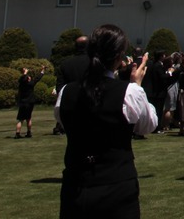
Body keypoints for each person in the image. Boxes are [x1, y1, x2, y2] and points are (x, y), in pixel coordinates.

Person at [54, 24, 157, 219]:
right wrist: (137, 86)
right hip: (116, 185)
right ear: (119, 58)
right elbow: (148, 125)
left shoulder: (66, 92)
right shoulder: (129, 92)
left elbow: (63, 120)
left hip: (76, 184)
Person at [54, 36, 89, 135]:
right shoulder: (95, 62)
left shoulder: (65, 64)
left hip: (71, 105)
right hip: (90, 104)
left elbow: (60, 87)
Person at [16, 65, 47, 139]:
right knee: (28, 118)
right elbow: (38, 78)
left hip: (23, 102)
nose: (30, 77)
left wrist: (24, 73)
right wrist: (42, 70)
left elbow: (22, 79)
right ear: (28, 80)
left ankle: (18, 133)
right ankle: (29, 132)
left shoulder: (21, 85)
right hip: (30, 102)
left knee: (20, 119)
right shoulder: (31, 84)